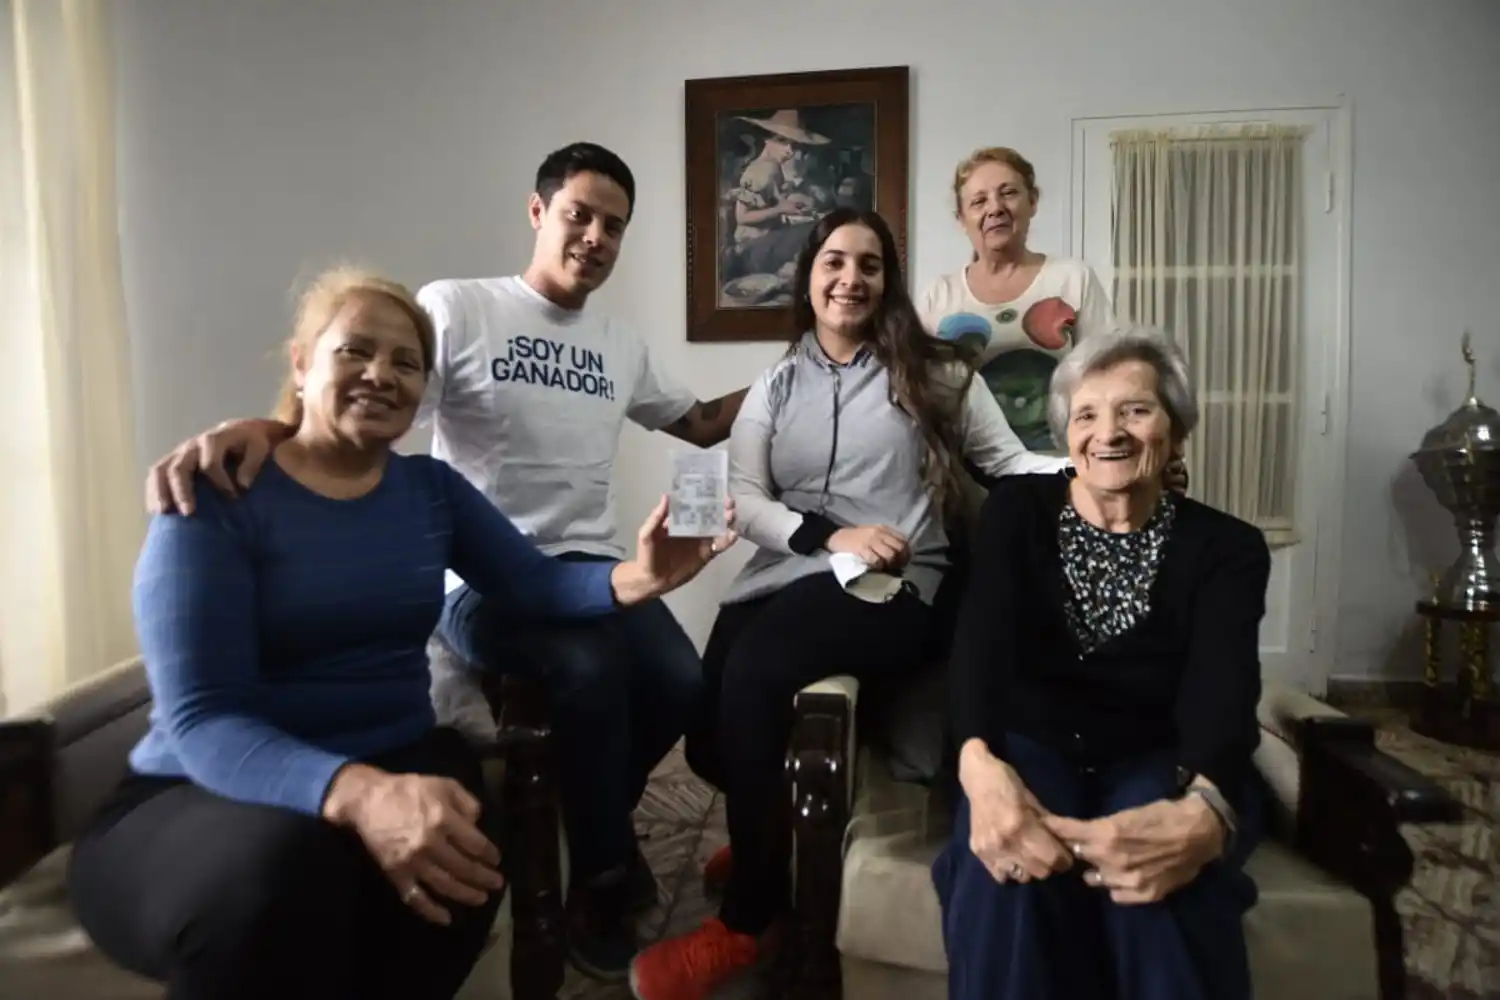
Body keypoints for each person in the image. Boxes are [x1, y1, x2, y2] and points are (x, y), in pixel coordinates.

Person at [140, 143, 746, 979]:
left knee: (680, 682)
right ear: (538, 214)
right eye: (579, 215)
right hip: (482, 576)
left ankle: (584, 805)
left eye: (613, 226)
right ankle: (605, 873)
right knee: (590, 667)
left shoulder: (621, 344)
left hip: (589, 567)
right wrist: (268, 429)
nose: (595, 237)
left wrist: (810, 360)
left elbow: (705, 425)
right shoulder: (459, 307)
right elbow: (360, 408)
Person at [627, 207, 1071, 1000]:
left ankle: (750, 916)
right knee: (705, 720)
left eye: (868, 265)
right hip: (791, 572)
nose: (850, 278)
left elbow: (1008, 462)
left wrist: (1093, 466)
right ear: (809, 275)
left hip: (899, 587)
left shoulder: (935, 374)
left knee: (758, 674)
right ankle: (769, 827)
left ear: (887, 283)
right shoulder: (776, 383)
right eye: (834, 261)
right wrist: (826, 537)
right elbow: (747, 495)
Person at [932, 327, 1272, 1000]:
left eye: (1135, 410)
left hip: (1156, 754)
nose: (1107, 432)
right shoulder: (1017, 512)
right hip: (1031, 745)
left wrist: (1206, 808)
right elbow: (977, 647)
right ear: (1066, 436)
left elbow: (1224, 693)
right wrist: (978, 768)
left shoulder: (1227, 548)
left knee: (1163, 884)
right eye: (1086, 414)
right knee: (1010, 882)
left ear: (1175, 432)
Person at [918, 146, 1117, 455]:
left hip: (1057, 467)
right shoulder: (939, 295)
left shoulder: (1072, 279)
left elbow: (1111, 377)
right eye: (979, 201)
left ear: (1033, 201)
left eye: (1008, 193)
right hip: (967, 473)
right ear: (961, 217)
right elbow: (918, 391)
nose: (995, 208)